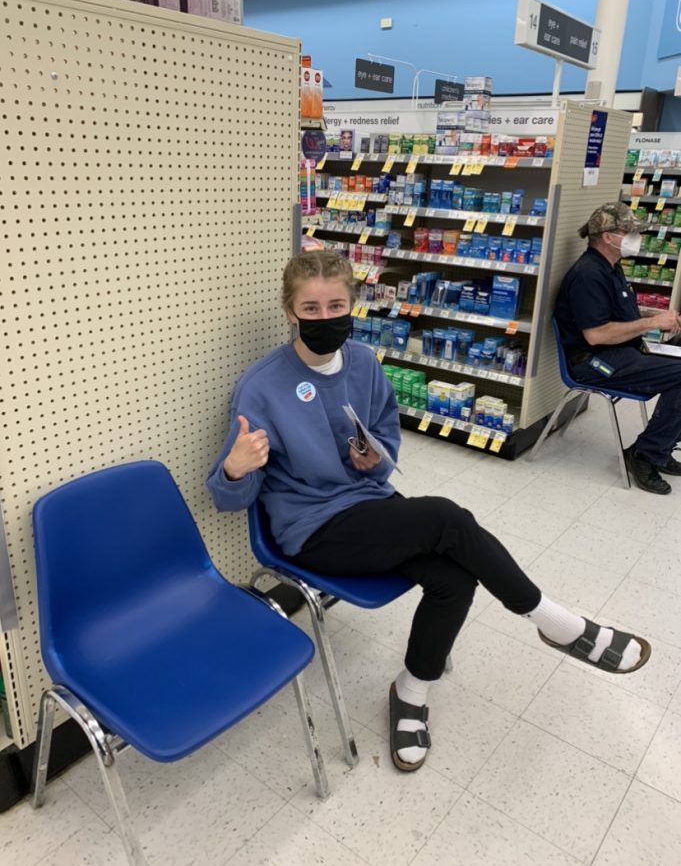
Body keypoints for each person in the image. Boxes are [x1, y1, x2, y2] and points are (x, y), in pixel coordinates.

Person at [207, 249, 651, 773]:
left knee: (453, 580)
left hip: (369, 508)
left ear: (354, 304)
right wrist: (236, 469)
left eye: (336, 306)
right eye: (311, 308)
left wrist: (374, 459)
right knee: (446, 517)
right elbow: (227, 498)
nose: (325, 318)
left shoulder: (366, 363)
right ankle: (557, 622)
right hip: (312, 529)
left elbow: (385, 446)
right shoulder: (260, 387)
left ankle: (411, 691)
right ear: (289, 311)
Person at [554, 201, 681, 495]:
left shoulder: (611, 268)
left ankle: (658, 447)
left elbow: (622, 317)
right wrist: (650, 325)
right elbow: (597, 335)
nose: (636, 237)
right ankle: (646, 454)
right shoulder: (588, 275)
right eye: (630, 232)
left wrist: (657, 319)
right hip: (594, 361)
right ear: (608, 237)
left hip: (622, 351)